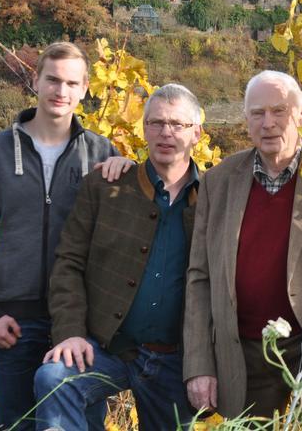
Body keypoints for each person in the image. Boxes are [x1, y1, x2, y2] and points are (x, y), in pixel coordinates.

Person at [0, 42, 131, 431]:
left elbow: (128, 233)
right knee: (17, 425)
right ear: (35, 81)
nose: (61, 91)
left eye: (71, 83)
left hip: (80, 324)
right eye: (52, 79)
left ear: (85, 88)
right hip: (13, 323)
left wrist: (130, 169)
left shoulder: (102, 153)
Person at [183, 70, 302, 429]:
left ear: (300, 115)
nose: (268, 123)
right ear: (246, 120)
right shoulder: (218, 182)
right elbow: (200, 278)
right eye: (257, 113)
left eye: (279, 111)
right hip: (246, 353)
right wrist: (200, 366)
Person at [34, 84, 202, 431]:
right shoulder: (107, 186)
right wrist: (70, 333)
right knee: (54, 377)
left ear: (197, 133)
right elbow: (69, 262)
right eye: (156, 123)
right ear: (144, 129)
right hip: (107, 348)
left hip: (174, 361)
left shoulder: (213, 197)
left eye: (177, 124)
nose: (165, 133)